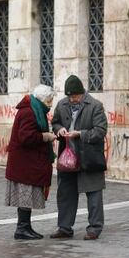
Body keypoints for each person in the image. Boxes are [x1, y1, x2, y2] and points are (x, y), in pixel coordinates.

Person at [50, 75, 108, 240]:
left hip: (90, 158)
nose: (72, 99)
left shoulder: (95, 106)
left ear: (82, 93)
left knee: (94, 193)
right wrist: (59, 129)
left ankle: (94, 228)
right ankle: (64, 227)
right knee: (65, 193)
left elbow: (100, 131)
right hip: (67, 158)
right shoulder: (62, 105)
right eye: (69, 96)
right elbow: (55, 123)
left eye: (74, 96)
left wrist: (80, 134)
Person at [5, 84, 57, 240]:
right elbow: (25, 137)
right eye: (49, 101)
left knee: (26, 197)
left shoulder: (33, 109)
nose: (50, 104)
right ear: (41, 99)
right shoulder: (29, 112)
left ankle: (25, 227)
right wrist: (45, 137)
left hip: (27, 163)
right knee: (25, 196)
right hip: (25, 164)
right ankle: (22, 229)